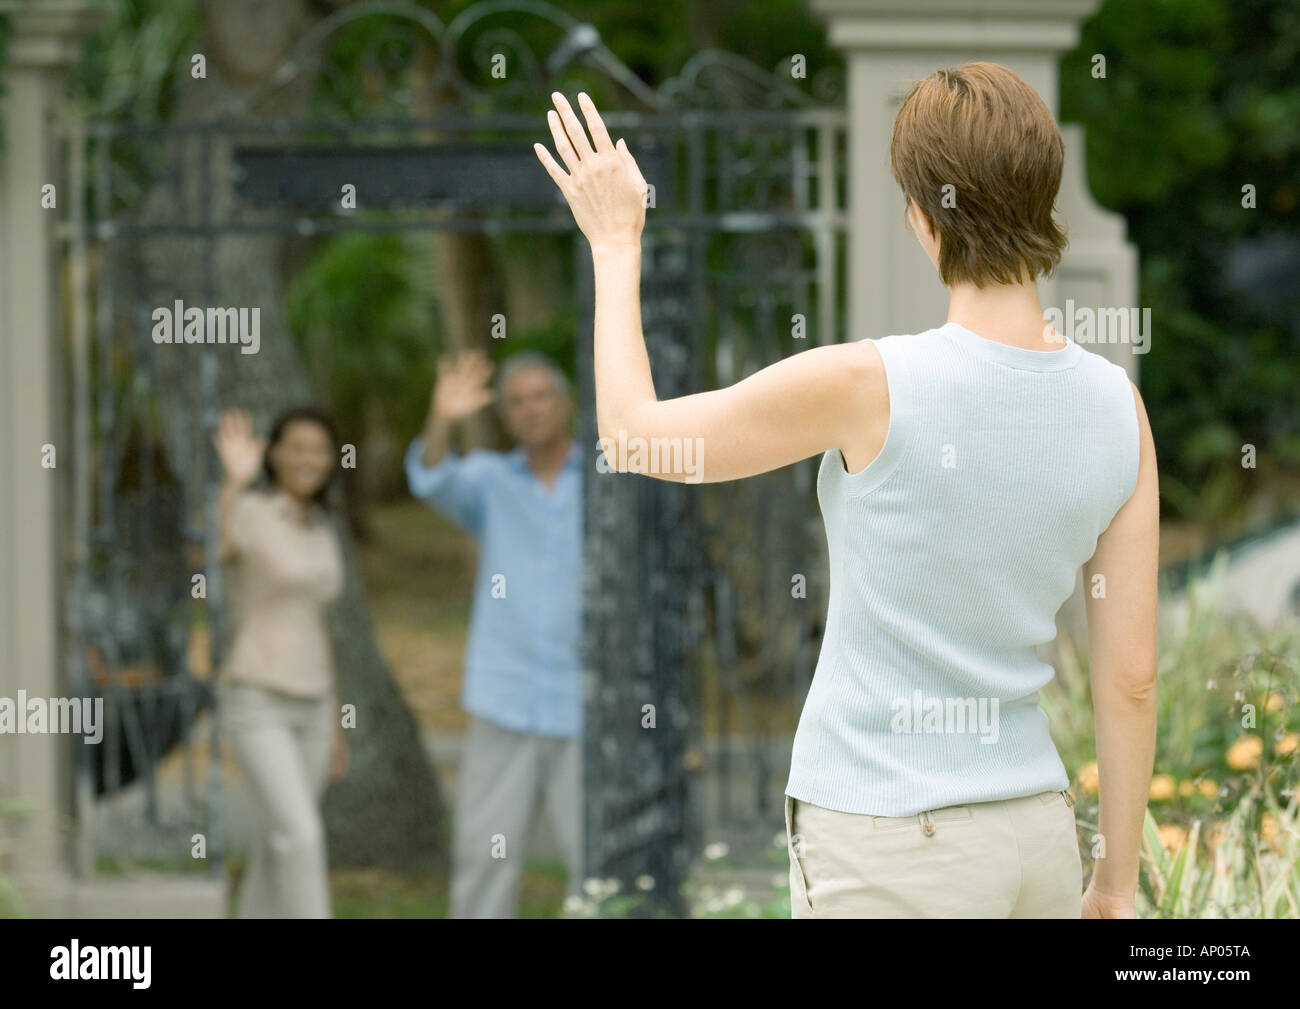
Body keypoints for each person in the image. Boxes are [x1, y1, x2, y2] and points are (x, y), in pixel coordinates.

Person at [533, 69, 1157, 918]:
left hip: (888, 838)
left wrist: (614, 243)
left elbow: (633, 434)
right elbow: (1130, 677)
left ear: (922, 216)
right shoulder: (1117, 406)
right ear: (1045, 196)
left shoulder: (871, 383)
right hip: (1035, 833)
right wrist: (1115, 879)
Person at [405, 349, 583, 919]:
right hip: (503, 697)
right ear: (505, 417)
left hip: (585, 701)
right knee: (485, 856)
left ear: (567, 404)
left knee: (596, 860)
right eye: (516, 402)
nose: (530, 410)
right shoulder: (488, 480)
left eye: (541, 396)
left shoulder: (607, 481)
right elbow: (430, 478)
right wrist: (442, 417)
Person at [214, 406, 347, 918]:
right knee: (302, 835)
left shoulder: (321, 526)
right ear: (275, 454)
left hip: (314, 705)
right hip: (258, 698)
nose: (308, 458)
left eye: (319, 448)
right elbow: (217, 548)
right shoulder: (250, 510)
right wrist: (233, 485)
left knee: (278, 841)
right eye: (297, 447)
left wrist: (336, 720)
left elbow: (320, 625)